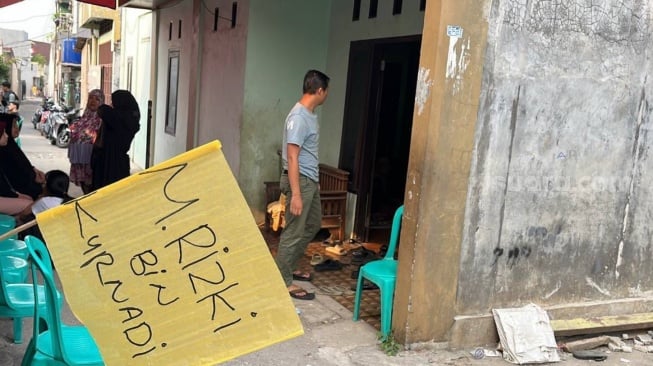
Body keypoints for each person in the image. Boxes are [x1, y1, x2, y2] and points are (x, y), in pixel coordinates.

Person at [275, 70, 330, 301]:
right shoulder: (298, 117)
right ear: (319, 91)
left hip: (309, 181)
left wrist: (314, 182)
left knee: (313, 223)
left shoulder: (309, 115)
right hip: (300, 182)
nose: (326, 95)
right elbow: (293, 156)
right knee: (294, 231)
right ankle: (282, 280)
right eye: (326, 91)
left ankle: (288, 267)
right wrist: (296, 194)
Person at [91, 90, 140, 190]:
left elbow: (103, 110)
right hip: (120, 162)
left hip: (110, 161)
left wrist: (97, 104)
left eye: (114, 101)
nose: (112, 104)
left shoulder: (119, 117)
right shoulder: (130, 118)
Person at [19, 169, 73, 241]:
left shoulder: (45, 201)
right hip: (69, 236)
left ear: (47, 186)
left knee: (29, 219)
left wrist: (41, 197)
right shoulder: (73, 201)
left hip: (52, 238)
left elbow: (23, 214)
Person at [68, 89, 104, 194]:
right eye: (91, 98)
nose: (93, 101)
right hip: (79, 158)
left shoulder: (101, 120)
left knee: (91, 185)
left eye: (97, 99)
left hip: (91, 159)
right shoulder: (83, 118)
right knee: (84, 183)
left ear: (101, 102)